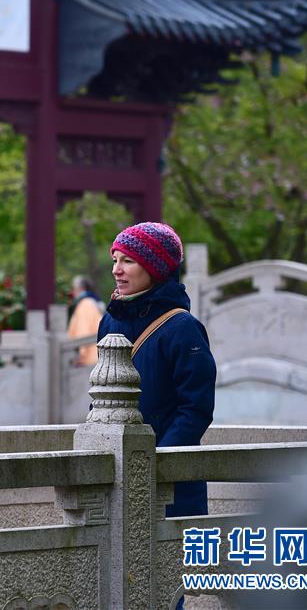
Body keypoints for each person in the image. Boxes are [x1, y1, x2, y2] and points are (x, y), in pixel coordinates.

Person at [98, 222, 216, 518]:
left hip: (171, 483)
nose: (116, 270)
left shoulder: (183, 328)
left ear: (155, 268)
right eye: (115, 260)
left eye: (128, 261)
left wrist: (155, 462)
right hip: (115, 477)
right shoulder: (109, 322)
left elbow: (195, 409)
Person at [67, 275, 104, 365]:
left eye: (74, 288)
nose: (73, 292)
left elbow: (83, 331)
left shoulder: (85, 304)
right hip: (95, 356)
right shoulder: (92, 303)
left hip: (90, 359)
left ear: (81, 289)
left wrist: (81, 356)